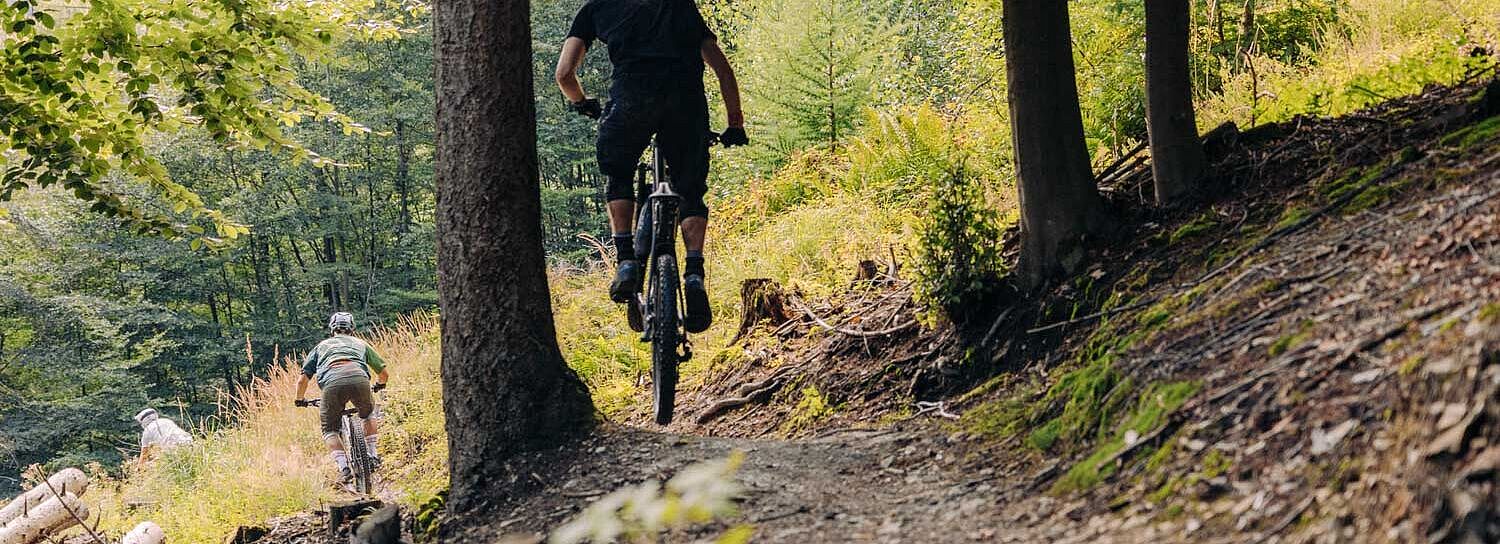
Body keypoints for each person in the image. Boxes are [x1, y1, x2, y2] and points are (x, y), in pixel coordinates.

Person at [554, 0, 749, 333]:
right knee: (690, 191)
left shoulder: (596, 8)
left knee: (619, 174)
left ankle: (627, 260)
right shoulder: (681, 7)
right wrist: (735, 124)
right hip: (684, 103)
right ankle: (694, 275)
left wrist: (582, 103)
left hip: (631, 101)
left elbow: (564, 74)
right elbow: (723, 71)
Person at [294, 312, 389, 483]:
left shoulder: (321, 346)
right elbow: (383, 373)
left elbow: (302, 381)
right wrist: (380, 385)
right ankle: (373, 455)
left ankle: (344, 468)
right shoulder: (361, 344)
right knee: (367, 414)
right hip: (360, 379)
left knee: (330, 429)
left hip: (332, 385)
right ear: (352, 328)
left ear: (332, 329)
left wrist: (299, 400)